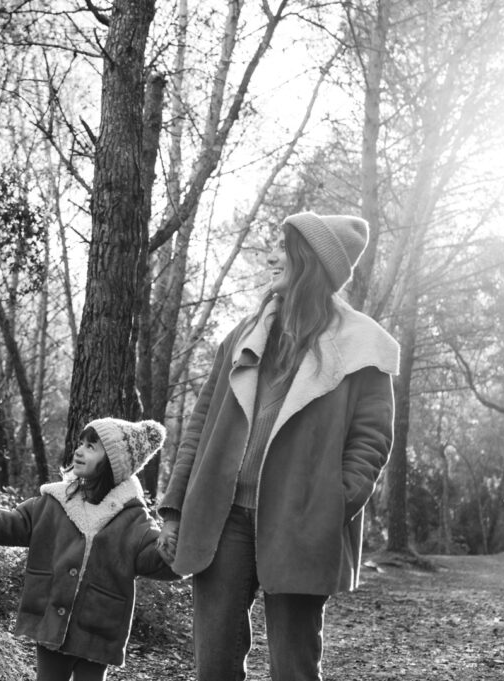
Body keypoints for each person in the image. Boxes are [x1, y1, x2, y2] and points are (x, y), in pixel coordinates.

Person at [156, 211, 400, 681]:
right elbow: (201, 425)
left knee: (294, 668)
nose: (271, 255)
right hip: (223, 519)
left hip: (302, 522)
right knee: (214, 667)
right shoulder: (245, 333)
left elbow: (372, 441)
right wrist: (173, 509)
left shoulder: (364, 345)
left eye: (283, 247)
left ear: (309, 260)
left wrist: (331, 503)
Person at [0, 418, 179, 681]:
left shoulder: (132, 520)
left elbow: (151, 557)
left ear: (113, 462)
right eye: (81, 443)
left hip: (98, 629)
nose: (79, 450)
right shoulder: (54, 502)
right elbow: (13, 524)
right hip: (51, 619)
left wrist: (171, 551)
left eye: (91, 447)